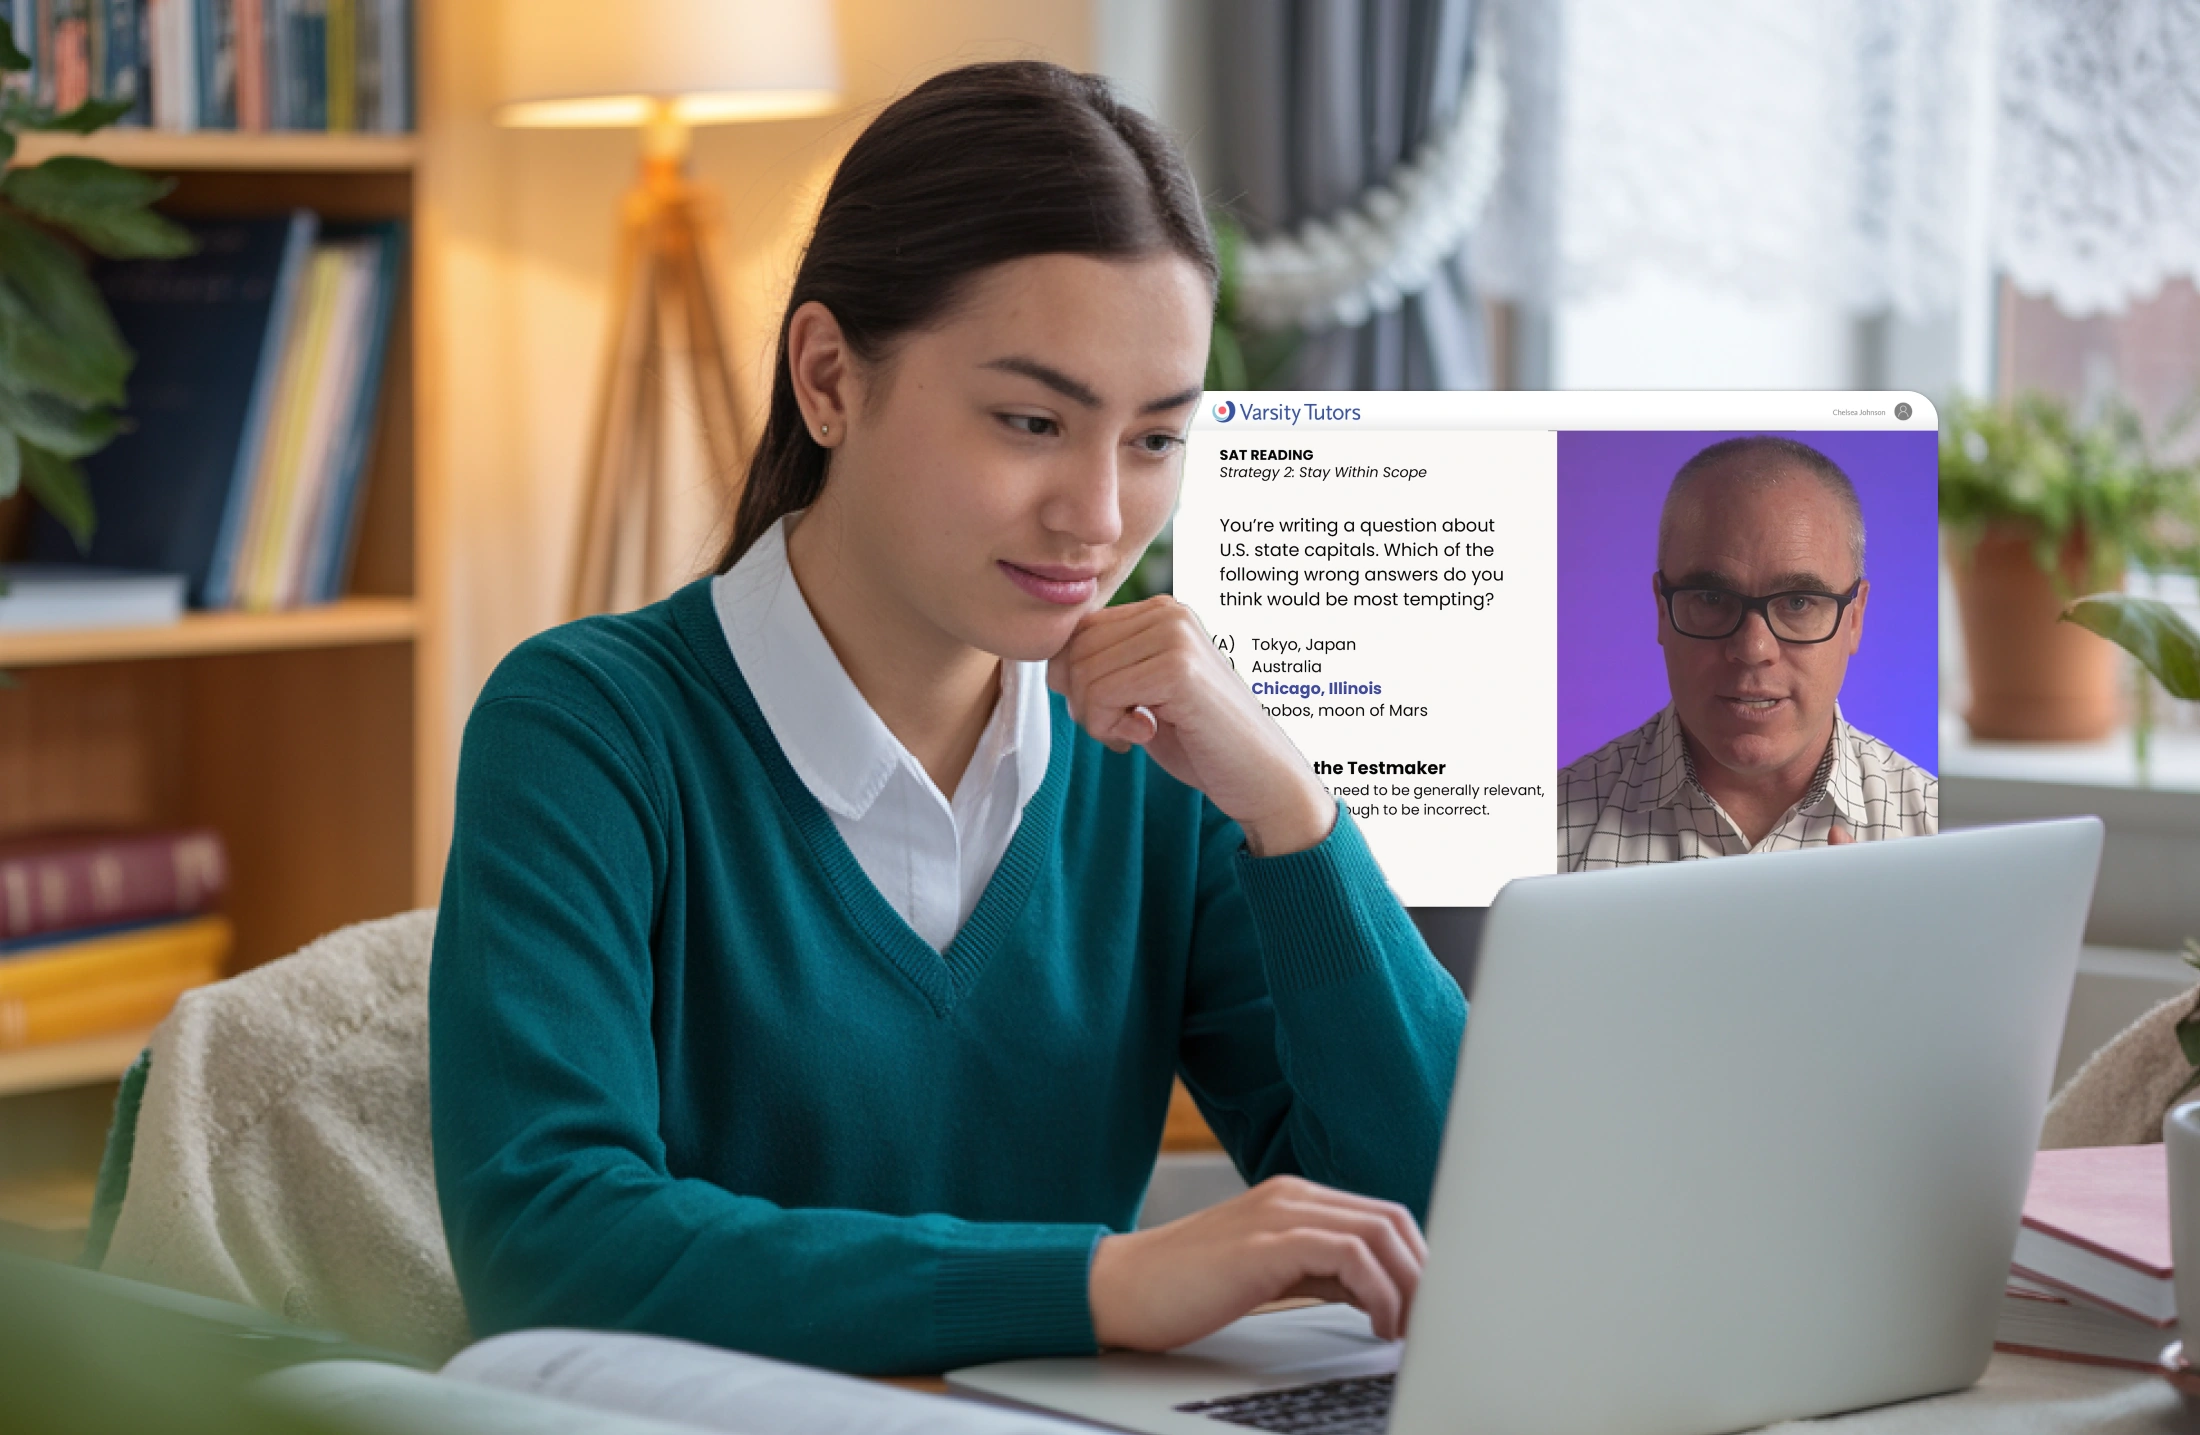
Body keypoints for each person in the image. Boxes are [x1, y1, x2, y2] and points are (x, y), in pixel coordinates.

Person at [429, 62, 1464, 1379]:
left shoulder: (1159, 769)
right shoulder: (587, 730)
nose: (1097, 516)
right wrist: (1103, 1279)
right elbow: (549, 1244)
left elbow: (1443, 1227)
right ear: (828, 378)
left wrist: (1292, 811)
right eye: (1032, 420)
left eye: (1154, 439)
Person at [1557, 435, 1937, 872]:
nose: (1753, 649)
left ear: (1854, 619)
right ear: (1662, 609)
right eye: (1713, 599)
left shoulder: (1938, 836)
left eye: (1797, 602)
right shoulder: (1541, 837)